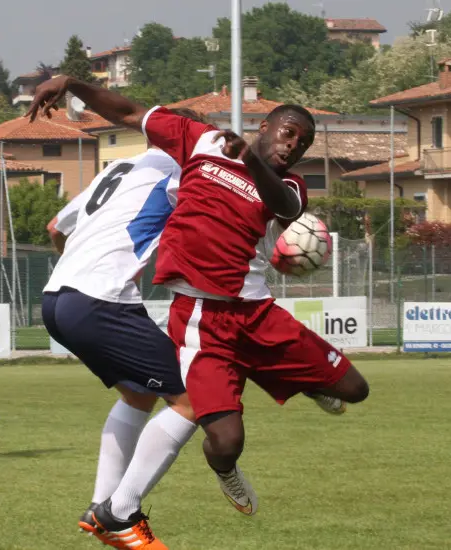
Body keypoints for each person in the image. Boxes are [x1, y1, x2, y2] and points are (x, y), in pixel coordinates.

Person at [27, 77, 370, 518]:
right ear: (264, 126)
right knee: (226, 443)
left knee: (356, 390)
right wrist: (73, 83)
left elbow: (284, 208)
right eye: (288, 133)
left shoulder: (290, 186)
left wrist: (250, 160)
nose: (292, 147)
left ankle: (306, 382)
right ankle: (216, 473)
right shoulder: (201, 142)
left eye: (302, 144)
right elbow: (129, 112)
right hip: (201, 318)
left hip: (257, 313)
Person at [41, 113, 207, 549]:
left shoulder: (116, 168)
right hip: (100, 300)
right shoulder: (179, 172)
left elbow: (55, 228)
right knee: (193, 400)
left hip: (57, 299)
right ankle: (120, 513)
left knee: (138, 395)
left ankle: (100, 507)